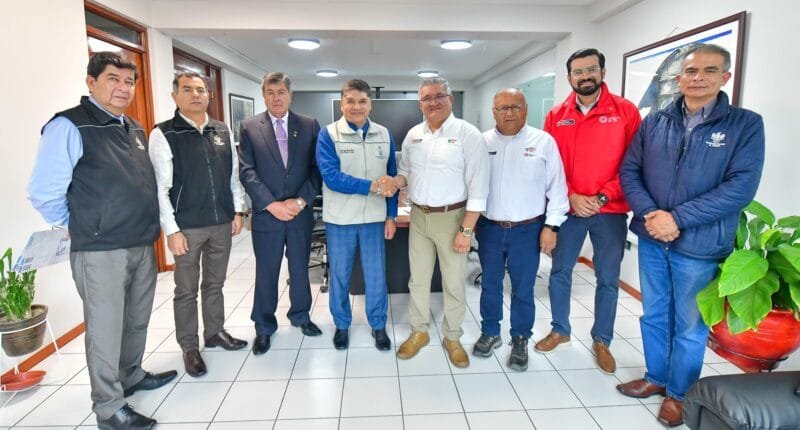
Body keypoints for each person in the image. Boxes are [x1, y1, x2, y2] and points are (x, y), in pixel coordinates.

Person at [618, 43, 765, 427]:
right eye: (691, 71)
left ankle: (680, 394)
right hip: (652, 237)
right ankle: (656, 377)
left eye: (709, 70)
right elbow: (630, 170)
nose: (698, 78)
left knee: (689, 325)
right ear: (679, 77)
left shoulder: (745, 125)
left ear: (725, 77)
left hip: (700, 244)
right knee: (653, 314)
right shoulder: (655, 121)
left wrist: (677, 219)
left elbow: (740, 188)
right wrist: (651, 214)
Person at [28, 51, 176, 429]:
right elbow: (44, 192)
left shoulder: (133, 128)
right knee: (105, 328)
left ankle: (131, 375)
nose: (123, 88)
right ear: (91, 82)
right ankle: (109, 407)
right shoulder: (70, 126)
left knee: (136, 319)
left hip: (140, 242)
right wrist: (81, 225)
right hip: (100, 250)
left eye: (129, 81)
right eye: (113, 79)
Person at [534, 48, 641, 375]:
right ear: (570, 77)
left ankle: (602, 339)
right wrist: (570, 196)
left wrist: (603, 197)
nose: (585, 76)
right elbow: (549, 165)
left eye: (591, 70)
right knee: (560, 272)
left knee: (607, 277)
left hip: (609, 210)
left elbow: (634, 163)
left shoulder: (625, 112)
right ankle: (560, 330)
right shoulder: (556, 115)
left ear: (602, 72)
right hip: (568, 210)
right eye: (578, 72)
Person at [148, 71, 249, 377]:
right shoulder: (164, 134)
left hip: (221, 222)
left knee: (215, 283)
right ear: (175, 95)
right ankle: (189, 346)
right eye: (188, 89)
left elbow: (232, 175)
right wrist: (171, 230)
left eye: (200, 90)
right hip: (187, 227)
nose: (195, 95)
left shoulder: (221, 129)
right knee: (186, 289)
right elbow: (160, 188)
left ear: (208, 95)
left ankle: (214, 332)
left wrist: (238, 211)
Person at [391, 77, 489, 368]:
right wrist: (394, 182)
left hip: (453, 218)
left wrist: (466, 230)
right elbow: (405, 171)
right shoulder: (413, 135)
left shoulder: (468, 134)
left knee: (453, 282)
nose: (433, 102)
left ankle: (452, 336)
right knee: (418, 279)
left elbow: (479, 187)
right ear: (420, 104)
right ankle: (419, 331)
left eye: (439, 96)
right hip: (419, 216)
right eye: (426, 98)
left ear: (450, 99)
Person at [473, 88, 568, 371]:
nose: (509, 113)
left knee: (523, 288)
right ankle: (490, 332)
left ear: (526, 109)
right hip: (489, 228)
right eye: (502, 108)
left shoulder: (544, 142)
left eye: (515, 107)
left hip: (528, 230)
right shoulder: (481, 142)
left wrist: (551, 226)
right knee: (490, 284)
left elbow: (558, 189)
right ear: (494, 112)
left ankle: (520, 337)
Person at [238, 72, 323, 355]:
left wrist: (300, 202)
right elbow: (247, 172)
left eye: (281, 92)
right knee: (267, 271)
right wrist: (271, 205)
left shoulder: (309, 125)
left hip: (299, 213)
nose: (276, 98)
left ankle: (301, 316)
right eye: (270, 92)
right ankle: (264, 327)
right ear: (264, 95)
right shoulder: (250, 127)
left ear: (290, 95)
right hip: (267, 215)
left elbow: (316, 169)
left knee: (299, 267)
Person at [316, 79, 398, 350]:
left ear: (370, 104)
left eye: (362, 101)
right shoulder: (328, 134)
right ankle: (342, 325)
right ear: (342, 104)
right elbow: (331, 178)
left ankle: (378, 325)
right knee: (340, 275)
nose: (356, 107)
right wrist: (372, 186)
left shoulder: (384, 134)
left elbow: (392, 177)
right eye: (350, 101)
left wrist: (391, 215)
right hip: (340, 220)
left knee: (376, 275)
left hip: (374, 219)